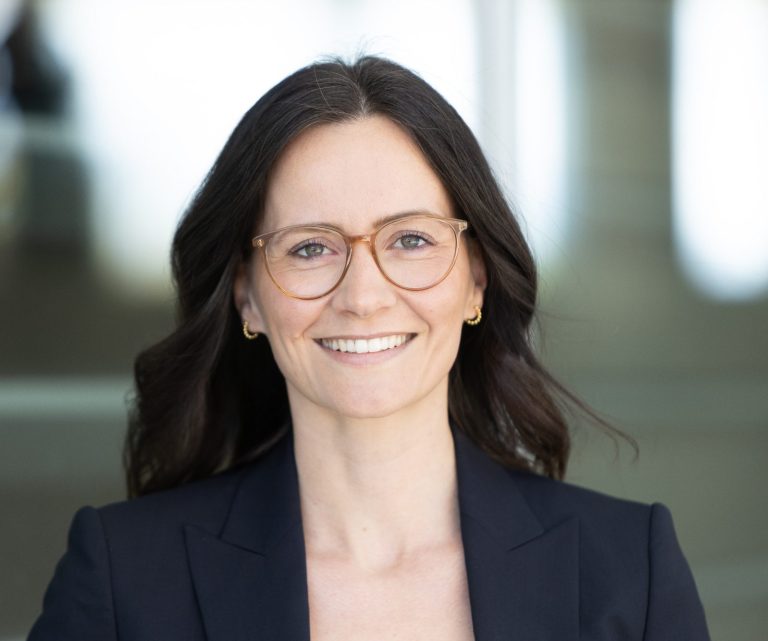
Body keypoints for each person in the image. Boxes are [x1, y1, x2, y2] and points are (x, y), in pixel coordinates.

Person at [29, 56, 710, 640]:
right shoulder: (124, 581)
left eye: (410, 239)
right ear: (246, 296)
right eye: (310, 247)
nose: (362, 294)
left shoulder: (629, 572)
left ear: (476, 280)